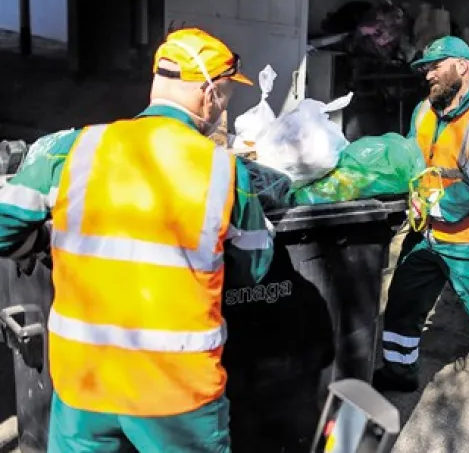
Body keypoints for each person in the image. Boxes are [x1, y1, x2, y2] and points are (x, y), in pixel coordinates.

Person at [0, 28, 274, 452]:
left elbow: (4, 228)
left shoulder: (74, 148)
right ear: (207, 95)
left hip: (83, 384)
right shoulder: (225, 171)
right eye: (225, 96)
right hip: (175, 394)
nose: (223, 108)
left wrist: (37, 244)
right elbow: (254, 267)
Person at [373, 36, 469, 426]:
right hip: (426, 235)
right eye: (425, 67)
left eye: (435, 66)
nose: (427, 74)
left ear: (462, 66)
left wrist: (430, 208)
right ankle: (400, 372)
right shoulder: (425, 110)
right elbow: (410, 161)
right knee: (404, 304)